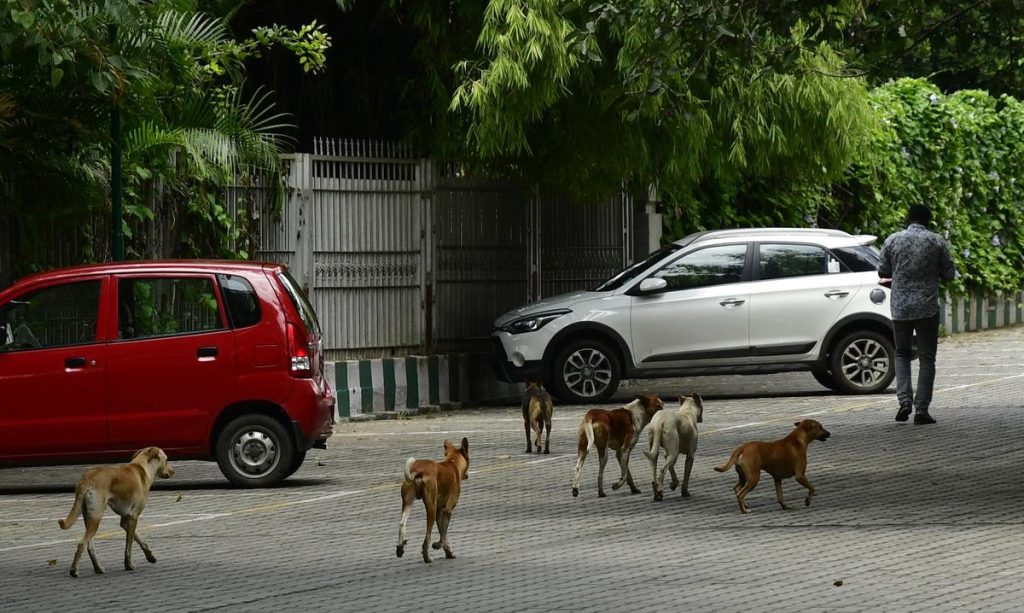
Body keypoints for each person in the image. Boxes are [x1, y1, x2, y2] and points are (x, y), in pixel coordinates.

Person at [878, 204, 957, 425]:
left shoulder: (893, 240)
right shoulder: (937, 241)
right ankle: (921, 410)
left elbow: (882, 270)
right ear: (928, 220)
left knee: (902, 354)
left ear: (908, 218)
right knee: (927, 358)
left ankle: (904, 401)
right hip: (927, 307)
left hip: (901, 308)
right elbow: (950, 274)